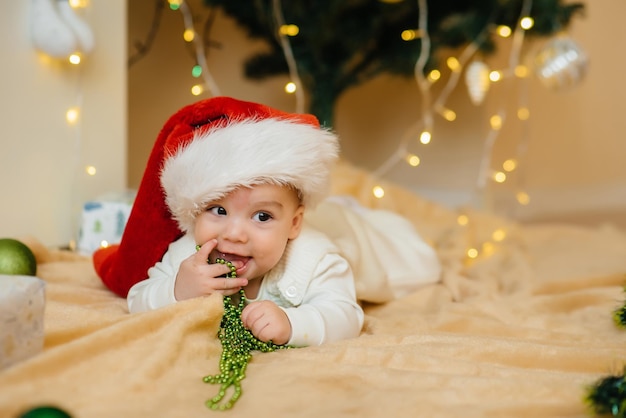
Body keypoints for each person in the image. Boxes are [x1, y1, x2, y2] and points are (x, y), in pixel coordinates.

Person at [93, 96, 441, 348]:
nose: (234, 234)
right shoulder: (188, 253)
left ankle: (360, 213)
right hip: (317, 219)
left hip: (353, 238)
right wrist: (176, 290)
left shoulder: (317, 258)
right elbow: (138, 297)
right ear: (195, 209)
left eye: (262, 216)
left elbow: (345, 314)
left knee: (417, 264)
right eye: (217, 210)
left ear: (293, 225)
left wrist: (294, 323)